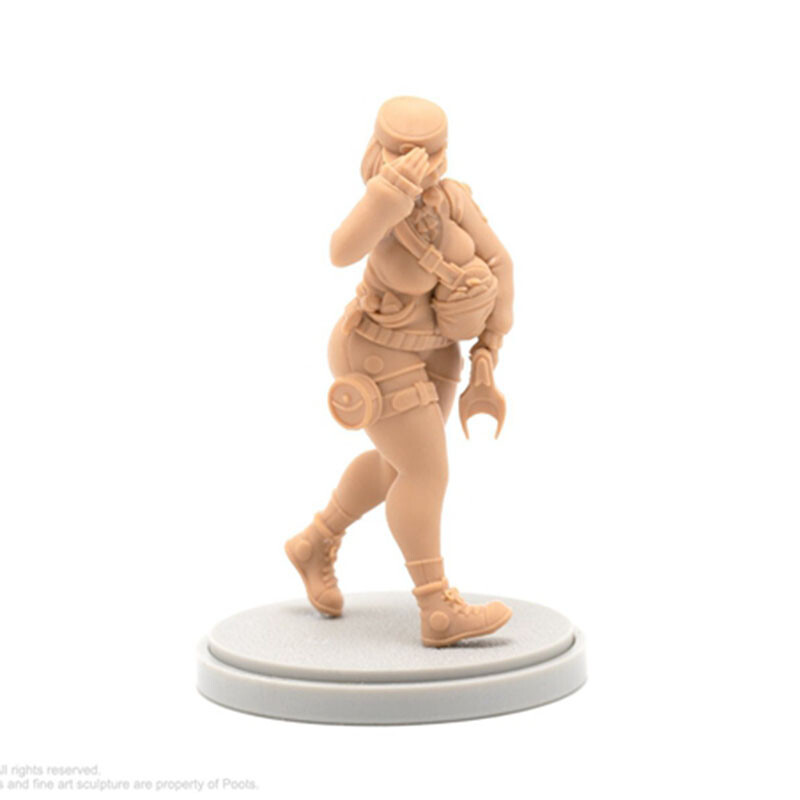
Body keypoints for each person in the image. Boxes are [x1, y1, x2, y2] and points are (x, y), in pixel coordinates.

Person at [285, 96, 514, 646]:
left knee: (398, 469)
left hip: (436, 352)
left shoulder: (453, 199)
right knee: (425, 473)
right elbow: (341, 250)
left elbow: (500, 261)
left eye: (432, 152)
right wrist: (387, 196)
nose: (421, 163)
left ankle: (315, 542)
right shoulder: (383, 206)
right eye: (407, 151)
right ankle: (436, 609)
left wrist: (488, 347)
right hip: (375, 352)